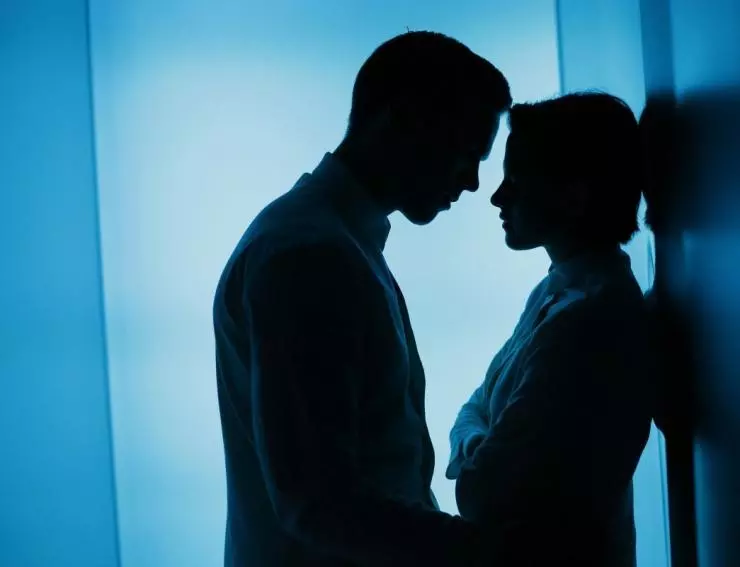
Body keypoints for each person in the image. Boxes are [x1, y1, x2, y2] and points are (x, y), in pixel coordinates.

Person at [212, 31, 511, 567]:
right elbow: (318, 506)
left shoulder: (325, 242)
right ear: (402, 120)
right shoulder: (311, 257)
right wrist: (491, 552)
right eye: (466, 152)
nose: (472, 182)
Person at [447, 92, 653, 567]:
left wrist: (475, 447)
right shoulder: (557, 293)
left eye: (516, 181)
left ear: (574, 196)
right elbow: (473, 409)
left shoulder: (587, 321)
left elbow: (479, 493)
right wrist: (481, 447)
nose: (497, 196)